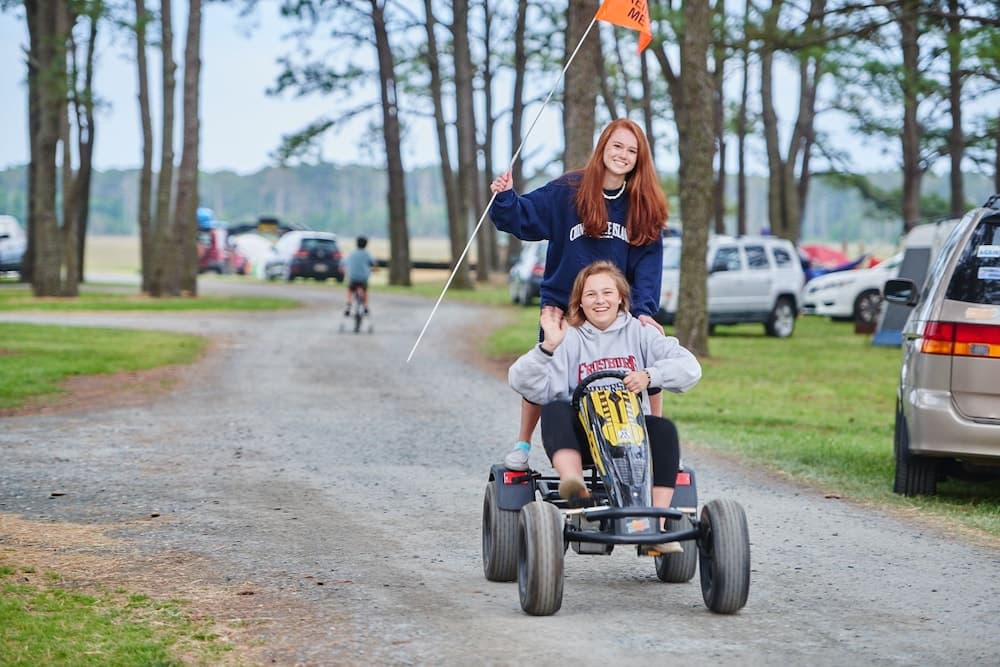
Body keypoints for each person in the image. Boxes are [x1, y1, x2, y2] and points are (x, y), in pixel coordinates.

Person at [489, 118, 669, 471]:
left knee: (646, 359)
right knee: (546, 368)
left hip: (616, 308)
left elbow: (649, 264)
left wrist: (644, 312)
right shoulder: (568, 190)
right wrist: (506, 197)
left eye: (631, 151)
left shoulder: (641, 203)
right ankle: (523, 443)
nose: (623, 155)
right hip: (564, 304)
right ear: (603, 146)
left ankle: (651, 435)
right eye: (617, 146)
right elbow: (525, 218)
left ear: (640, 159)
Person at [508, 261, 701, 554]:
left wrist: (650, 375)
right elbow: (521, 381)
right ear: (580, 302)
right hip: (586, 436)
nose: (600, 301)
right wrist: (547, 347)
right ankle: (573, 482)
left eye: (607, 293)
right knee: (555, 409)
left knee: (663, 428)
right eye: (591, 295)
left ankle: (657, 524)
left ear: (621, 297)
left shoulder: (641, 332)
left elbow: (690, 367)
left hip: (633, 434)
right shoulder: (567, 338)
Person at [344, 236, 375, 316]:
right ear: (366, 244)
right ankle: (365, 307)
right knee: (365, 290)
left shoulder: (351, 253)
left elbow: (343, 263)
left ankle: (348, 303)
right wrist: (374, 269)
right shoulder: (367, 254)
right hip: (363, 278)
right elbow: (373, 264)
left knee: (350, 290)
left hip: (353, 277)